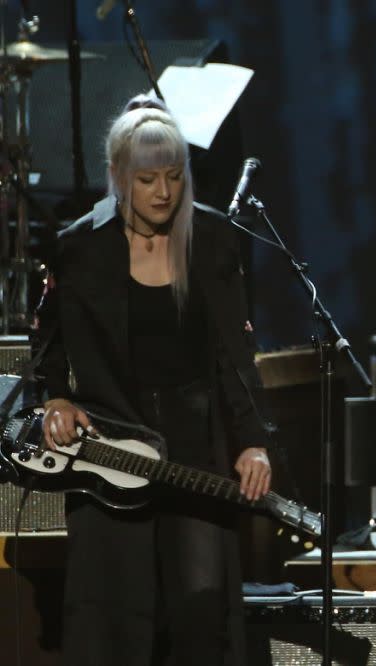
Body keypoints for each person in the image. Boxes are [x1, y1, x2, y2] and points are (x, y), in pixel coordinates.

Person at [32, 97, 272, 666]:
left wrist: (253, 440)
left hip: (196, 446)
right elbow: (48, 342)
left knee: (198, 610)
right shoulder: (79, 248)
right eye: (146, 179)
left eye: (173, 177)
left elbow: (234, 357)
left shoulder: (210, 240)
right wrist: (56, 398)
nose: (163, 192)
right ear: (117, 177)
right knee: (116, 613)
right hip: (110, 446)